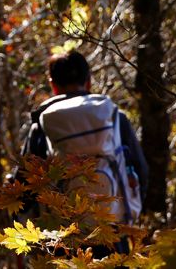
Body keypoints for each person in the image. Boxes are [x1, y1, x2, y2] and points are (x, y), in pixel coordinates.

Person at [19, 50, 147, 257]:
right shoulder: (114, 117)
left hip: (63, 239)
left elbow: (26, 185)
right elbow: (141, 169)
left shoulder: (43, 125)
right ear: (88, 81)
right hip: (112, 233)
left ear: (53, 85)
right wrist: (130, 215)